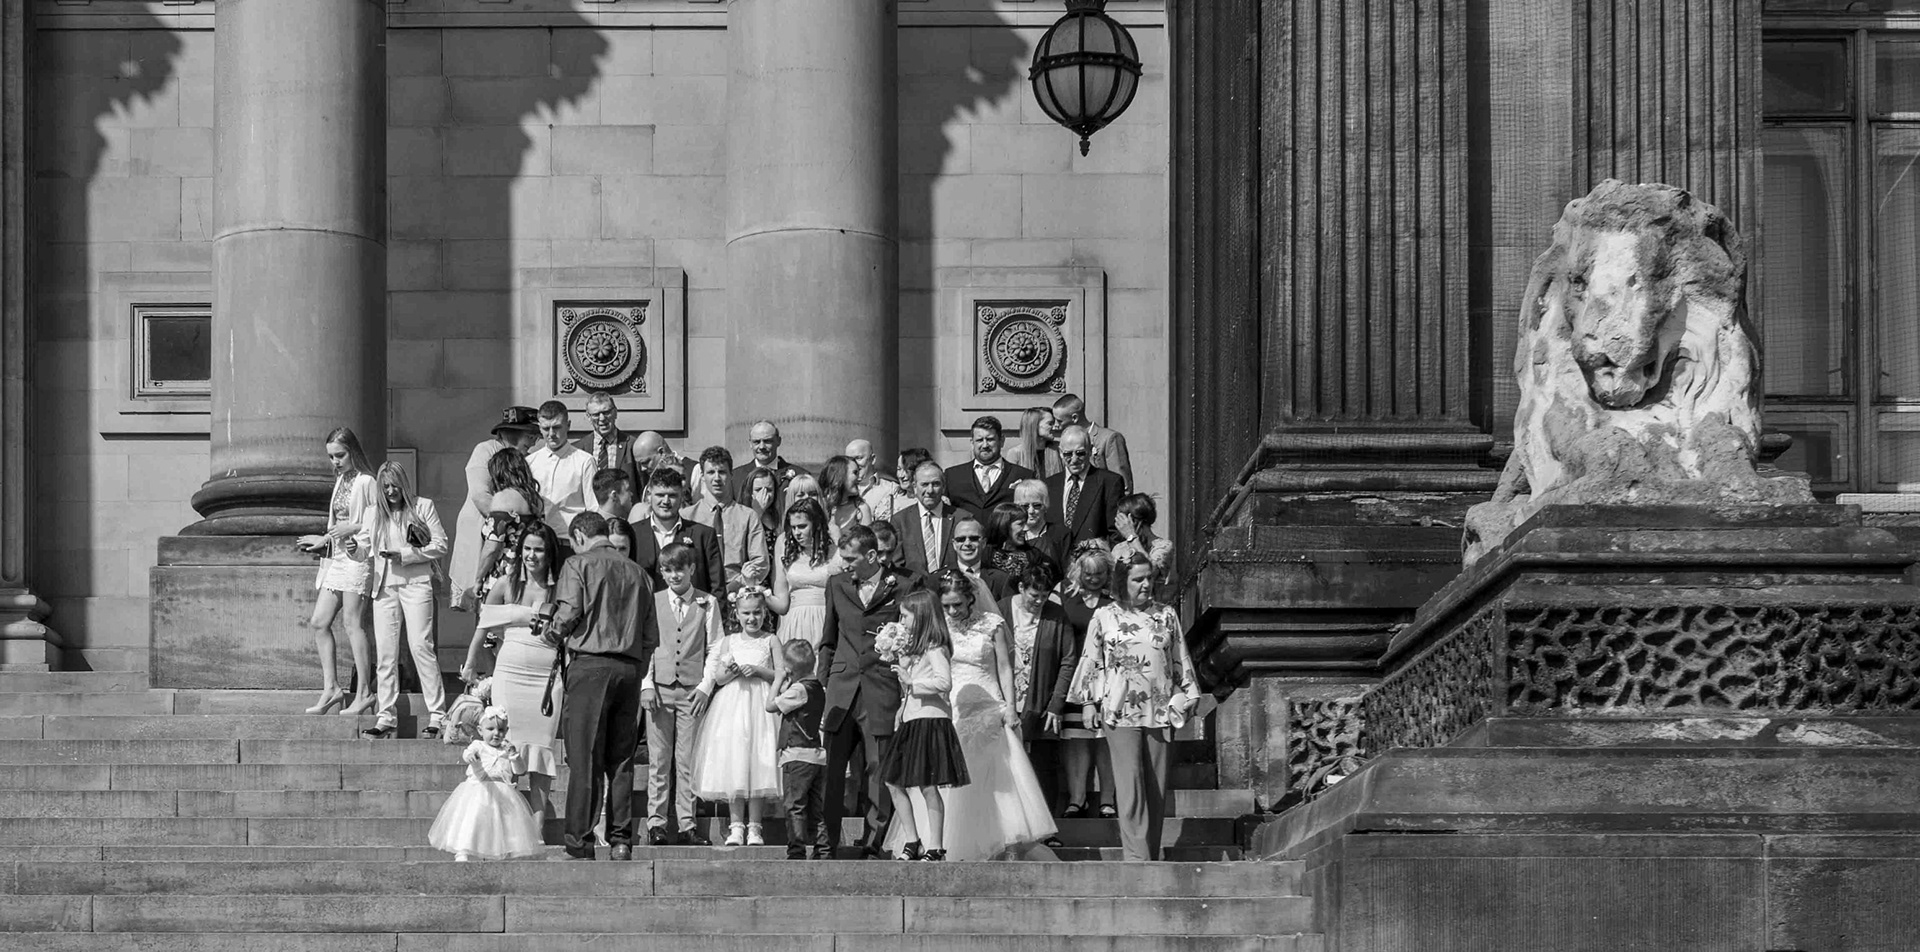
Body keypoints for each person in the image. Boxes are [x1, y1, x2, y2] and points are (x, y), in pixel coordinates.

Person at [1067, 551, 1201, 861]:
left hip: (1161, 709)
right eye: (1138, 579)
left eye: (1149, 578)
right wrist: (1088, 702)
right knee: (1130, 787)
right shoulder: (1104, 616)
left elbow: (1179, 656)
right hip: (1118, 710)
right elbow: (1092, 661)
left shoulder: (1167, 615)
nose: (1145, 584)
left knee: (1156, 789)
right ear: (1121, 581)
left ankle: (1148, 856)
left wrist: (1190, 692)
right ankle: (1136, 860)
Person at [548, 512, 658, 861]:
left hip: (591, 666)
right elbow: (651, 636)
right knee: (621, 759)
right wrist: (636, 669)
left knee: (585, 757)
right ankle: (621, 840)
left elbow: (568, 612)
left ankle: (579, 841)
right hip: (629, 668)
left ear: (580, 536)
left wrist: (550, 633)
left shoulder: (578, 564)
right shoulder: (639, 573)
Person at [931, 568, 1058, 861]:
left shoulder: (992, 624)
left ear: (970, 598)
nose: (952, 611)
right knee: (957, 782)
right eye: (946, 606)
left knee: (999, 778)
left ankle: (1005, 843)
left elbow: (1004, 667)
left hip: (990, 706)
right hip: (954, 708)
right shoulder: (940, 628)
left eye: (957, 605)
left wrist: (1010, 707)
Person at [817, 524, 924, 857]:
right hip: (841, 687)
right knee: (832, 768)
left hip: (881, 685)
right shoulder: (836, 584)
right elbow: (828, 637)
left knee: (879, 769)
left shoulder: (903, 586)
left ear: (872, 555)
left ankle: (874, 843)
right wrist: (825, 679)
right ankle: (825, 843)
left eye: (850, 558)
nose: (844, 564)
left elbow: (912, 638)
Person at [469, 523, 563, 829]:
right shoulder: (506, 583)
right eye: (527, 548)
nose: (532, 555)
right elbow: (483, 625)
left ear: (550, 553)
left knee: (541, 752)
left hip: (547, 678)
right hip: (510, 674)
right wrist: (470, 661)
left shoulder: (561, 587)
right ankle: (505, 827)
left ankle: (536, 830)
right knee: (506, 749)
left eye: (539, 549)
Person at [689, 585, 786, 846]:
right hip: (733, 707)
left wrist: (758, 670)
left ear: (765, 613)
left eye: (757, 613)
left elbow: (781, 673)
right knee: (735, 762)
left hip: (761, 707)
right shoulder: (729, 641)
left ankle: (755, 827)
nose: (751, 618)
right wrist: (731, 670)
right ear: (737, 614)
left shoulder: (770, 640)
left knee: (758, 763)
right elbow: (719, 678)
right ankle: (736, 827)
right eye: (746, 613)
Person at [877, 588, 968, 862]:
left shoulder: (935, 647)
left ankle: (936, 846)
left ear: (921, 616)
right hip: (911, 718)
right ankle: (912, 840)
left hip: (930, 719)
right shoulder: (915, 649)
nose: (901, 622)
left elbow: (944, 682)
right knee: (893, 781)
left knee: (928, 784)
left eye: (905, 616)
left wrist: (912, 682)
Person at [360, 461, 450, 740]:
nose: (390, 491)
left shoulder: (422, 506)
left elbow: (440, 544)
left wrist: (406, 555)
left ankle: (438, 714)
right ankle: (385, 715)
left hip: (416, 583)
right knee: (386, 653)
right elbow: (363, 549)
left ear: (404, 483)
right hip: (384, 587)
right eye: (385, 486)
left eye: (395, 485)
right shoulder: (373, 513)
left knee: (421, 645)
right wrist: (353, 548)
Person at [642, 543, 723, 846]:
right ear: (662, 573)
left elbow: (715, 646)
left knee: (687, 760)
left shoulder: (707, 603)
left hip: (691, 691)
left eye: (680, 569)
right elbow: (646, 645)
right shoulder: (653, 601)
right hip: (660, 689)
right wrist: (646, 684)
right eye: (668, 570)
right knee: (659, 760)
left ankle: (687, 825)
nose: (674, 575)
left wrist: (705, 686)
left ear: (691, 569)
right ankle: (657, 824)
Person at [295, 426, 378, 716]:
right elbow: (337, 523)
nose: (335, 461)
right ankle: (331, 688)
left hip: (358, 557)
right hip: (337, 558)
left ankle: (365, 692)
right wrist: (324, 539)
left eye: (340, 455)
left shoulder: (367, 481)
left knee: (352, 623)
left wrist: (350, 529)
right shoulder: (341, 479)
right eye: (331, 456)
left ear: (353, 451)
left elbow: (378, 520)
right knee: (319, 622)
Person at [1001, 562, 1079, 822]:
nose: (1039, 601)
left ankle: (1046, 827)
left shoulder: (1057, 615)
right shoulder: (1002, 610)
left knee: (1044, 767)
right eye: (1034, 595)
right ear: (1021, 588)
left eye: (1045, 596)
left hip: (1042, 703)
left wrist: (1056, 703)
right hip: (1004, 702)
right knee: (1006, 768)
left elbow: (1068, 660)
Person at [450, 406, 540, 611]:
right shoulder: (486, 450)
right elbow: (480, 494)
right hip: (485, 531)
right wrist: (508, 523)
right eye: (530, 435)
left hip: (507, 538)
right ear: (513, 433)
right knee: (483, 593)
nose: (535, 441)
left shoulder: (526, 457)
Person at [426, 706, 544, 861]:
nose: (496, 733)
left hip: (503, 792)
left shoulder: (506, 749)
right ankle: (463, 849)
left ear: (506, 731)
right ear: (480, 731)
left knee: (504, 822)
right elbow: (467, 753)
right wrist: (470, 756)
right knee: (472, 819)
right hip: (479, 789)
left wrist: (514, 756)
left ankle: (503, 850)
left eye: (501, 730)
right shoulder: (478, 745)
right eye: (490, 729)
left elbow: (520, 770)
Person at [1059, 545, 1118, 820]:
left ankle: (1107, 799)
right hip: (1074, 675)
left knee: (1105, 739)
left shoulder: (1116, 598)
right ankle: (1077, 798)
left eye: (1100, 574)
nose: (1094, 579)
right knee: (1076, 739)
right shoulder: (1064, 594)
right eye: (1089, 573)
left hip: (1109, 677)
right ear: (1078, 571)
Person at [769, 638, 832, 860]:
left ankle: (796, 849)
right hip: (816, 756)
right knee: (816, 808)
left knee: (794, 805)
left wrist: (778, 679)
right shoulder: (817, 688)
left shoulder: (798, 690)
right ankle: (823, 849)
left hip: (796, 755)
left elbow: (770, 705)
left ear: (790, 668)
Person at [681, 446, 771, 597]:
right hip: (696, 593)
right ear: (702, 476)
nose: (716, 478)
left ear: (731, 475)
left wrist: (734, 586)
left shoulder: (748, 516)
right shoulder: (687, 516)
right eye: (711, 472)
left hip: (738, 593)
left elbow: (760, 563)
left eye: (722, 472)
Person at [628, 468, 725, 605]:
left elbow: (717, 588)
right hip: (646, 614)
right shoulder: (633, 534)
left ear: (682, 495)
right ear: (649, 494)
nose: (666, 501)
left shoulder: (703, 535)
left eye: (672, 495)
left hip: (693, 614)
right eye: (660, 495)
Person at [526, 401, 596, 561]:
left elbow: (593, 507)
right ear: (539, 428)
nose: (551, 434)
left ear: (568, 426)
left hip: (570, 544)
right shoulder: (530, 462)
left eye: (557, 427)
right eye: (546, 428)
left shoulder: (584, 461)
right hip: (537, 544)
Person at [473, 448, 544, 603]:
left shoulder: (502, 498)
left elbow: (492, 547)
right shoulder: (535, 500)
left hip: (504, 574)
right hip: (529, 571)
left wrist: (478, 579)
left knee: (493, 617)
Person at [767, 498, 835, 652]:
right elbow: (782, 605)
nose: (797, 532)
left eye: (802, 526)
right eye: (793, 527)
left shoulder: (835, 552)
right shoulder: (787, 555)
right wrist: (759, 592)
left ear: (816, 524)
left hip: (826, 619)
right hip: (794, 622)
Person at [944, 416, 1034, 525]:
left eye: (990, 439)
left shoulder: (1024, 475)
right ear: (972, 443)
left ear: (1002, 440)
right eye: (979, 440)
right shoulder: (952, 476)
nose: (985, 445)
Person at [1046, 426, 1126, 548]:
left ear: (1090, 450)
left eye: (1080, 453)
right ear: (1061, 453)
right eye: (1068, 454)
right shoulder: (1049, 485)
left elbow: (1116, 533)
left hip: (1094, 556)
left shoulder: (1109, 482)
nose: (1074, 459)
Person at [1051, 393, 1132, 493]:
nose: (1055, 426)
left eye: (1059, 421)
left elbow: (1122, 484)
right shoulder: (1065, 440)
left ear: (1074, 418)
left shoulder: (1108, 439)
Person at [890, 461, 958, 575]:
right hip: (914, 585)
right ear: (914, 487)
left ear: (943, 487)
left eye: (935, 484)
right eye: (924, 484)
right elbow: (896, 566)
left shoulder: (960, 519)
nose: (930, 490)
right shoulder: (900, 521)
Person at [582, 392, 642, 513]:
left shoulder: (633, 445)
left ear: (615, 412)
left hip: (626, 517)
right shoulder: (579, 449)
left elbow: (643, 486)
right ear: (588, 416)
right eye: (596, 414)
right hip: (591, 517)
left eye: (606, 412)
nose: (602, 418)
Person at [1112, 493, 1175, 603]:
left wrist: (1131, 536)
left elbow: (1151, 570)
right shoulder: (1119, 549)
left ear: (1132, 520)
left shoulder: (1163, 546)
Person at [948, 513, 1012, 610]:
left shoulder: (1002, 580)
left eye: (973, 539)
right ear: (954, 544)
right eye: (961, 539)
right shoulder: (938, 579)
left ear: (983, 543)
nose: (967, 543)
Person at [732, 420, 811, 498]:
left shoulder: (800, 476)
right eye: (756, 442)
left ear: (778, 441)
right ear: (750, 444)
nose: (762, 447)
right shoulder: (735, 478)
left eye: (767, 441)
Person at [818, 455, 875, 543]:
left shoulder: (861, 510)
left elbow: (867, 546)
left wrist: (838, 539)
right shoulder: (820, 506)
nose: (859, 478)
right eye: (855, 473)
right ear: (840, 475)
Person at [846, 439, 901, 522]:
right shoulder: (839, 490)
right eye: (850, 460)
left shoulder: (892, 489)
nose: (854, 464)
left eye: (859, 458)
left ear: (873, 459)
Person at [1003, 406, 1062, 479]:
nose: (1056, 427)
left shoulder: (1059, 449)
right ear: (1034, 425)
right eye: (1050, 423)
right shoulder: (1015, 453)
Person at [745, 469, 783, 552]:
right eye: (758, 490)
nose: (764, 494)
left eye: (769, 490)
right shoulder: (742, 516)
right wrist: (758, 511)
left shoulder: (779, 516)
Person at [892, 448, 934, 515]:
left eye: (906, 470)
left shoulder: (935, 500)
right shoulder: (891, 501)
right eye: (899, 469)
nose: (901, 475)